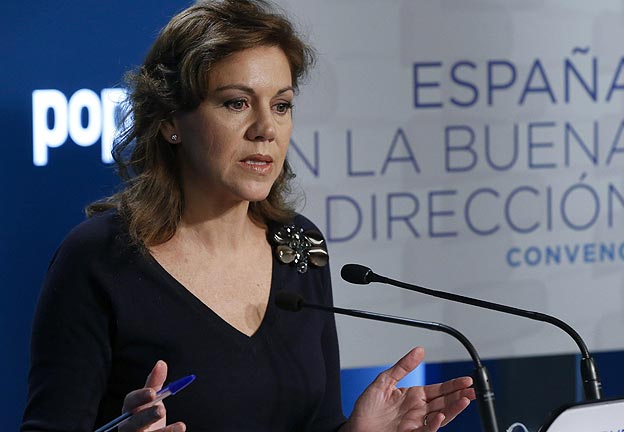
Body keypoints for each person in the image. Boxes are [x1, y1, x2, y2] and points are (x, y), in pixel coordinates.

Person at [21, 0, 475, 431]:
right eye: (236, 102)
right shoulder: (100, 258)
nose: (266, 129)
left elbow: (316, 422)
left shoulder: (298, 245)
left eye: (281, 105)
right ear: (171, 121)